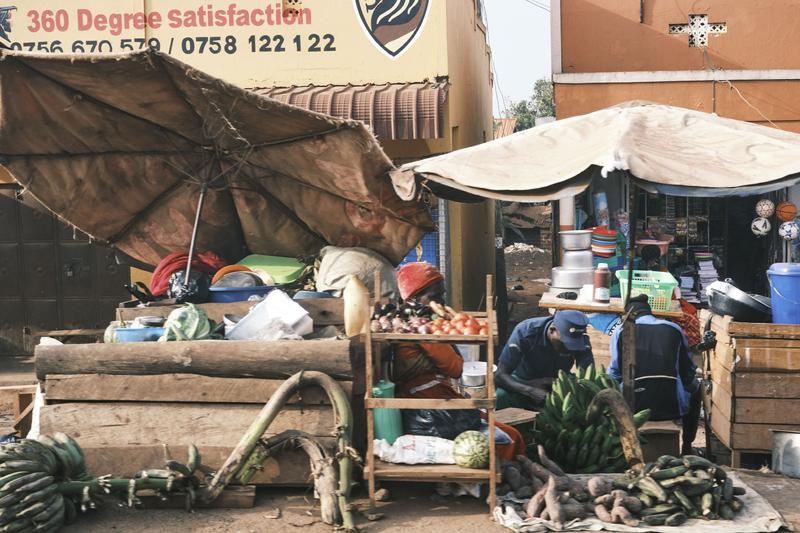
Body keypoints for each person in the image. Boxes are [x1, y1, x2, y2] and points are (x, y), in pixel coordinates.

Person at [392, 262, 525, 460]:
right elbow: (456, 368)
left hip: (438, 401)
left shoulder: (417, 322)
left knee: (506, 433)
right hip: (429, 407)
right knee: (510, 438)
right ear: (415, 299)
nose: (442, 301)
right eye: (434, 297)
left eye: (442, 295)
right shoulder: (421, 328)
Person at [608, 294, 701, 455]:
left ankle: (616, 449)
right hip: (671, 406)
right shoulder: (673, 329)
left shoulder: (621, 331)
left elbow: (614, 373)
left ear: (628, 314)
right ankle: (687, 446)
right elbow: (688, 369)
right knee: (697, 388)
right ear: (650, 312)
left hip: (633, 407)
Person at [495, 311, 594, 410]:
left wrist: (560, 385)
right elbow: (500, 375)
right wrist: (530, 390)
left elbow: (587, 378)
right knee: (500, 396)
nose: (569, 349)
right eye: (565, 343)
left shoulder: (581, 339)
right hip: (524, 380)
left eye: (573, 345)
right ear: (552, 330)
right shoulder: (525, 331)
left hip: (559, 381)